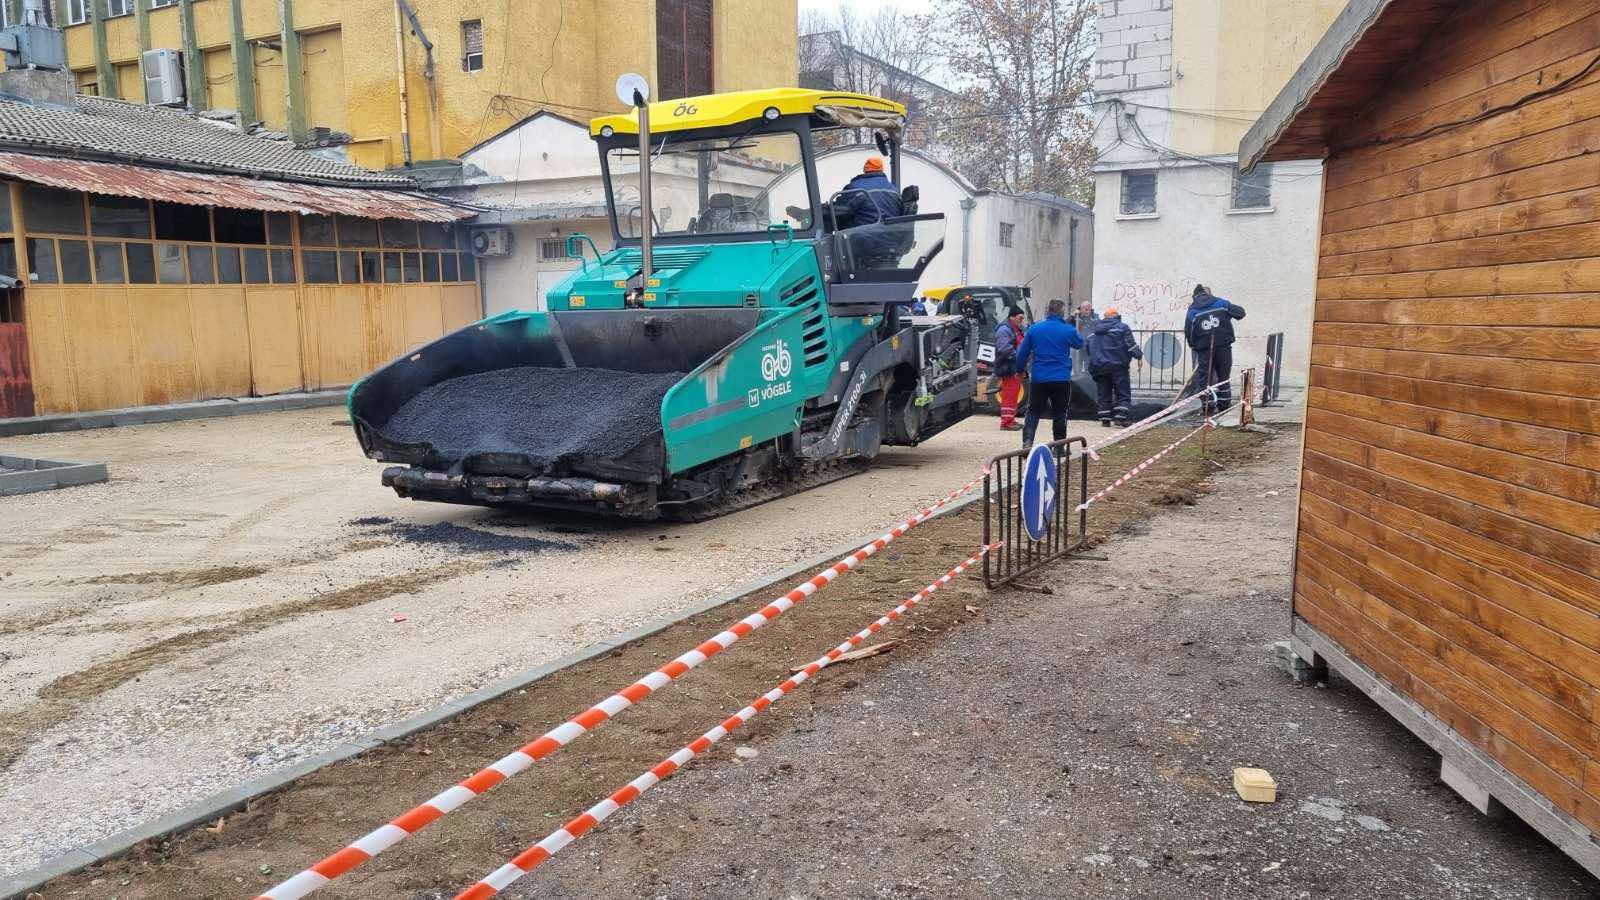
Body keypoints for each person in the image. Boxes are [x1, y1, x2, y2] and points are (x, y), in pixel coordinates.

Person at [1015, 298, 1084, 447]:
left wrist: (1020, 371)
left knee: (1033, 411)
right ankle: (1059, 447)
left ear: (1047, 311)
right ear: (1062, 313)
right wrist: (1070, 325)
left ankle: (1027, 443)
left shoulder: (1034, 329)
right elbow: (1079, 343)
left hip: (1039, 378)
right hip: (1061, 378)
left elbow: (1021, 353)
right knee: (1060, 412)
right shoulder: (1067, 329)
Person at [1184, 284, 1246, 413]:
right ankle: (1224, 404)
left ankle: (1208, 405)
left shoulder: (1193, 310)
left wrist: (1193, 345)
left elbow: (1189, 331)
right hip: (1224, 346)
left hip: (1204, 349)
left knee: (1204, 378)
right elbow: (1240, 313)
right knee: (1223, 375)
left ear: (1195, 297)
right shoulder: (1221, 304)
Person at [1085, 306, 1143, 427]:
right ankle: (1120, 417)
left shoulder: (1093, 330)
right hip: (1118, 366)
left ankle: (1105, 419)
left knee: (1103, 394)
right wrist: (1138, 356)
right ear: (1116, 316)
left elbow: (1088, 349)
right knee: (1122, 393)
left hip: (1099, 367)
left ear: (1104, 317)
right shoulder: (1122, 327)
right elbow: (1131, 345)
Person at [993, 306, 1027, 431]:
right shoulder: (1004, 330)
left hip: (1015, 367)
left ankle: (1010, 419)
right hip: (1008, 367)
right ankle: (1006, 423)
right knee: (1009, 394)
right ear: (1012, 317)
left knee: (1013, 394)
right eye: (1020, 318)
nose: (1022, 320)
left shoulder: (1016, 329)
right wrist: (1020, 356)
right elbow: (1005, 349)